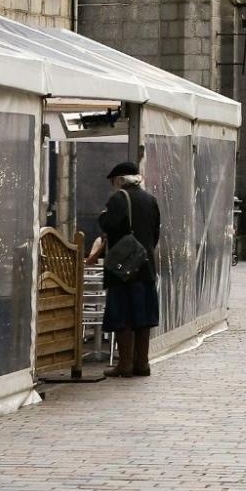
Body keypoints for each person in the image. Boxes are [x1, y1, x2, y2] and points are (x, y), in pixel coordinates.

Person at [85, 160, 162, 379]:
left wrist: (102, 215)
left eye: (113, 181)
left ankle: (125, 364)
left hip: (122, 269)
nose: (112, 186)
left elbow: (108, 225)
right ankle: (142, 363)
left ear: (120, 180)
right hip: (145, 266)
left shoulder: (118, 199)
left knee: (123, 316)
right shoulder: (150, 200)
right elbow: (154, 234)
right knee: (143, 318)